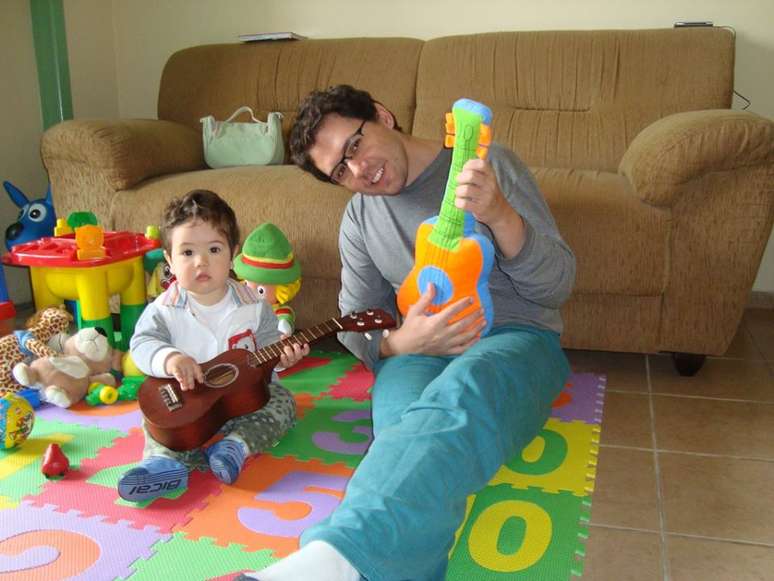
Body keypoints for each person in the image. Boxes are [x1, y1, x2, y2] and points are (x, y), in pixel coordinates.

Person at [238, 85, 576, 581]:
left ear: (382, 115)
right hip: (416, 354)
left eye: (354, 145)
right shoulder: (358, 218)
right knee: (402, 433)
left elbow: (557, 285)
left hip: (518, 339)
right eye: (339, 172)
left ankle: (329, 562)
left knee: (465, 392)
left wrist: (501, 214)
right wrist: (398, 344)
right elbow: (355, 319)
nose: (358, 171)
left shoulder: (486, 164)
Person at [119, 189, 308, 503]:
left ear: (233, 254)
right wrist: (170, 358)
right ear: (169, 259)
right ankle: (162, 464)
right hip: (186, 407)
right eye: (188, 252)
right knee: (159, 426)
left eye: (214, 249)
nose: (201, 262)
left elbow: (268, 349)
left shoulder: (255, 306)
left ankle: (234, 447)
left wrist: (284, 359)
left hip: (244, 403)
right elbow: (141, 343)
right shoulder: (164, 309)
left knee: (283, 401)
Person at [234, 222, 302, 335]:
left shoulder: (278, 312)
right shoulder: (239, 305)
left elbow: (284, 323)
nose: (250, 292)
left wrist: (283, 328)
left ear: (282, 290)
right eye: (246, 284)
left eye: (261, 290)